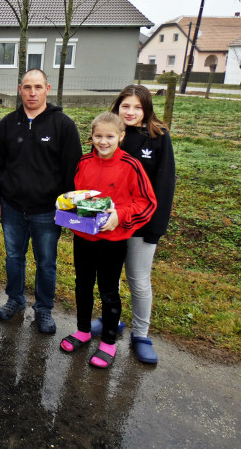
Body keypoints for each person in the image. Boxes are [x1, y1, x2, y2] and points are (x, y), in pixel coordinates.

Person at [59, 112, 157, 369]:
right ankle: (82, 330)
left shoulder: (131, 165)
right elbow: (77, 197)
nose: (103, 142)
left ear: (121, 137)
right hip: (83, 236)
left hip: (113, 240)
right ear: (91, 136)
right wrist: (69, 211)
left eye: (109, 137)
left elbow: (147, 202)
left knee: (108, 290)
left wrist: (120, 215)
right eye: (98, 136)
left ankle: (109, 343)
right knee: (82, 284)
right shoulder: (83, 162)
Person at [0, 69, 82, 333]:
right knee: (13, 257)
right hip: (12, 206)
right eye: (27, 87)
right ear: (20, 89)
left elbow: (72, 171)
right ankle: (15, 300)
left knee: (46, 262)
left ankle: (43, 309)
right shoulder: (7, 123)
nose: (32, 92)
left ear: (47, 89)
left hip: (47, 211)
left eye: (38, 87)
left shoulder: (63, 125)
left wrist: (69, 210)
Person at [88, 85, 175, 364]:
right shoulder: (109, 134)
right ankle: (111, 319)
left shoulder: (159, 138)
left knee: (138, 280)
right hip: (109, 224)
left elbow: (164, 185)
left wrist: (155, 228)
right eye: (126, 105)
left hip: (141, 224)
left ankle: (141, 334)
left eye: (137, 107)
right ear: (118, 106)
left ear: (146, 109)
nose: (131, 112)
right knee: (109, 277)